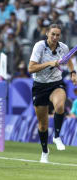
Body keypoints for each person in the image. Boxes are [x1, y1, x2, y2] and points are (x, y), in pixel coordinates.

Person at [28, 24, 77, 163]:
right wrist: (51, 63)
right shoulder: (39, 46)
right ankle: (44, 151)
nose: (55, 37)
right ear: (47, 34)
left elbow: (69, 61)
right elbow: (31, 68)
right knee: (42, 125)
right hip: (39, 86)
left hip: (56, 83)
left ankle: (57, 136)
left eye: (57, 35)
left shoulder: (63, 47)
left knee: (60, 106)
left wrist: (73, 73)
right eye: (53, 34)